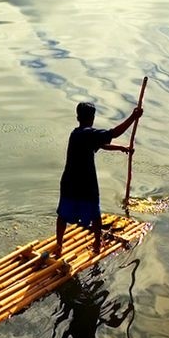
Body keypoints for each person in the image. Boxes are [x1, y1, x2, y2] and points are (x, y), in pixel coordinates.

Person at [55, 100, 142, 260]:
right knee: (95, 215)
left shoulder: (77, 134)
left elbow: (101, 144)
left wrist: (120, 148)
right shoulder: (89, 134)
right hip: (86, 184)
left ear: (78, 117)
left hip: (69, 182)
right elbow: (114, 133)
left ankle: (59, 245)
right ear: (92, 117)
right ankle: (96, 245)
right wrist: (133, 116)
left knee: (63, 214)